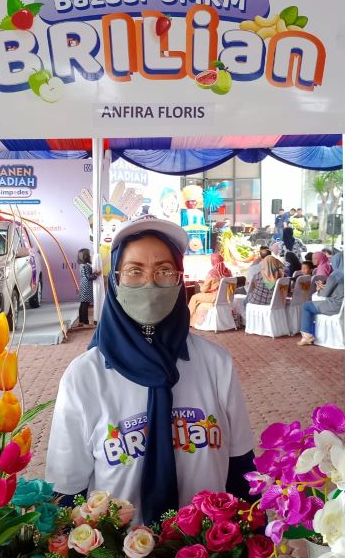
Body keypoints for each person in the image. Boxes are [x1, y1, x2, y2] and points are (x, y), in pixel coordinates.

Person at [46, 215, 254, 525]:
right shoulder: (86, 376)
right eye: (134, 271)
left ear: (179, 277)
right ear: (115, 280)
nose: (150, 283)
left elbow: (241, 470)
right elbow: (67, 493)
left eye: (164, 271)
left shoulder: (215, 365)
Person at [298, 253, 345, 346]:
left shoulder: (335, 275)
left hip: (335, 305)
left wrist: (319, 289)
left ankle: (307, 336)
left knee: (306, 306)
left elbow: (324, 295)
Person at [188, 253, 232, 326]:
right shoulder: (228, 271)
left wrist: (201, 284)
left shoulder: (212, 272)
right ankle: (193, 321)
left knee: (194, 297)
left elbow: (203, 290)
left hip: (215, 297)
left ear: (213, 261)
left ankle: (187, 320)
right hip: (226, 297)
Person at [76, 248, 100, 327]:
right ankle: (85, 321)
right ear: (85, 256)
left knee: (83, 303)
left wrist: (93, 273)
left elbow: (87, 275)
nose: (90, 255)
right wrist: (96, 274)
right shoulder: (85, 266)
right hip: (86, 286)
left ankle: (81, 321)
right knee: (85, 304)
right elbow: (88, 277)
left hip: (83, 285)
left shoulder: (82, 265)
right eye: (89, 254)